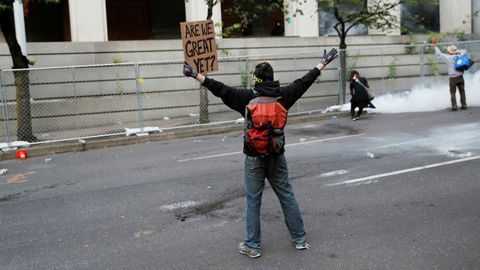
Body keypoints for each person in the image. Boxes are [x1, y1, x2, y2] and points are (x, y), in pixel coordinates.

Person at [182, 48, 338, 258]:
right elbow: (304, 82)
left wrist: (195, 75)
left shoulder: (246, 97)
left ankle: (253, 246)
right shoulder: (283, 96)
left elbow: (220, 89)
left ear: (255, 79)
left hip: (254, 158)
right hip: (277, 155)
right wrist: (322, 63)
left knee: (253, 201)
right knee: (286, 195)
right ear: (273, 78)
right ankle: (300, 239)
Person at [432, 38, 467, 111]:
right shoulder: (460, 55)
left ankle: (454, 106)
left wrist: (435, 46)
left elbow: (439, 55)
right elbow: (464, 51)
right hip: (460, 76)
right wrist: (458, 51)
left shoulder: (448, 57)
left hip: (453, 78)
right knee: (462, 91)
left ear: (450, 51)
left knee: (452, 92)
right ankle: (464, 104)